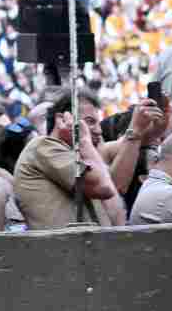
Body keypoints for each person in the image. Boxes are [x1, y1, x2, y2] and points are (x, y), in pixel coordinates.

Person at [13, 89, 120, 230]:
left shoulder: (79, 156)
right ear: (62, 119)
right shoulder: (43, 147)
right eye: (90, 122)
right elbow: (104, 188)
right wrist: (84, 141)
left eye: (98, 123)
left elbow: (117, 215)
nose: (98, 131)